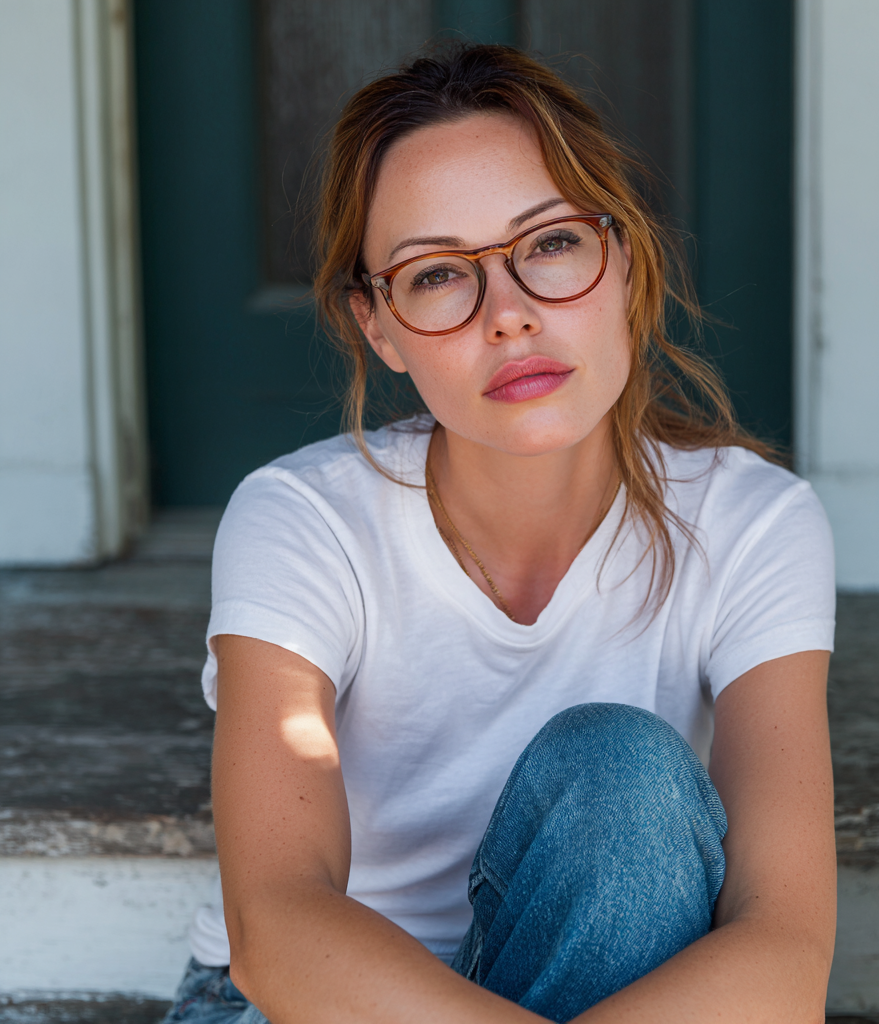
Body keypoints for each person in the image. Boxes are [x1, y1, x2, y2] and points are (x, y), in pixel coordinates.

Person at [165, 44, 836, 1024]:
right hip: (311, 1003)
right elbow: (277, 927)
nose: (511, 316)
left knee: (623, 772)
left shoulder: (752, 523)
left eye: (551, 243)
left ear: (624, 256)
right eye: (438, 274)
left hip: (606, 973)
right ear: (378, 326)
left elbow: (781, 953)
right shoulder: (304, 518)